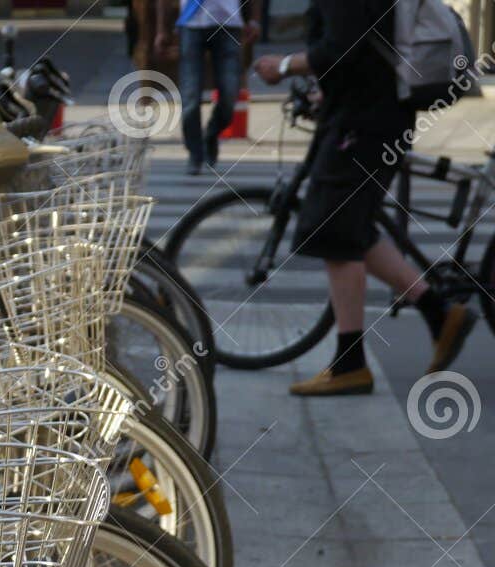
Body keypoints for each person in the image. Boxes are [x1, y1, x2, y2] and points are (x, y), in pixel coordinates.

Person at [253, 1, 474, 396]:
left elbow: (341, 47)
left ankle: (351, 364)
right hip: (369, 114)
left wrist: (284, 66)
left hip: (364, 122)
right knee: (350, 226)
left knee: (334, 229)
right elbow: (364, 45)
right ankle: (438, 312)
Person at [154, 0, 261, 176]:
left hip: (228, 24)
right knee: (190, 95)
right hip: (191, 24)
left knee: (230, 93)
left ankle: (211, 133)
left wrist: (255, 20)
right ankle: (195, 153)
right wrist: (161, 30)